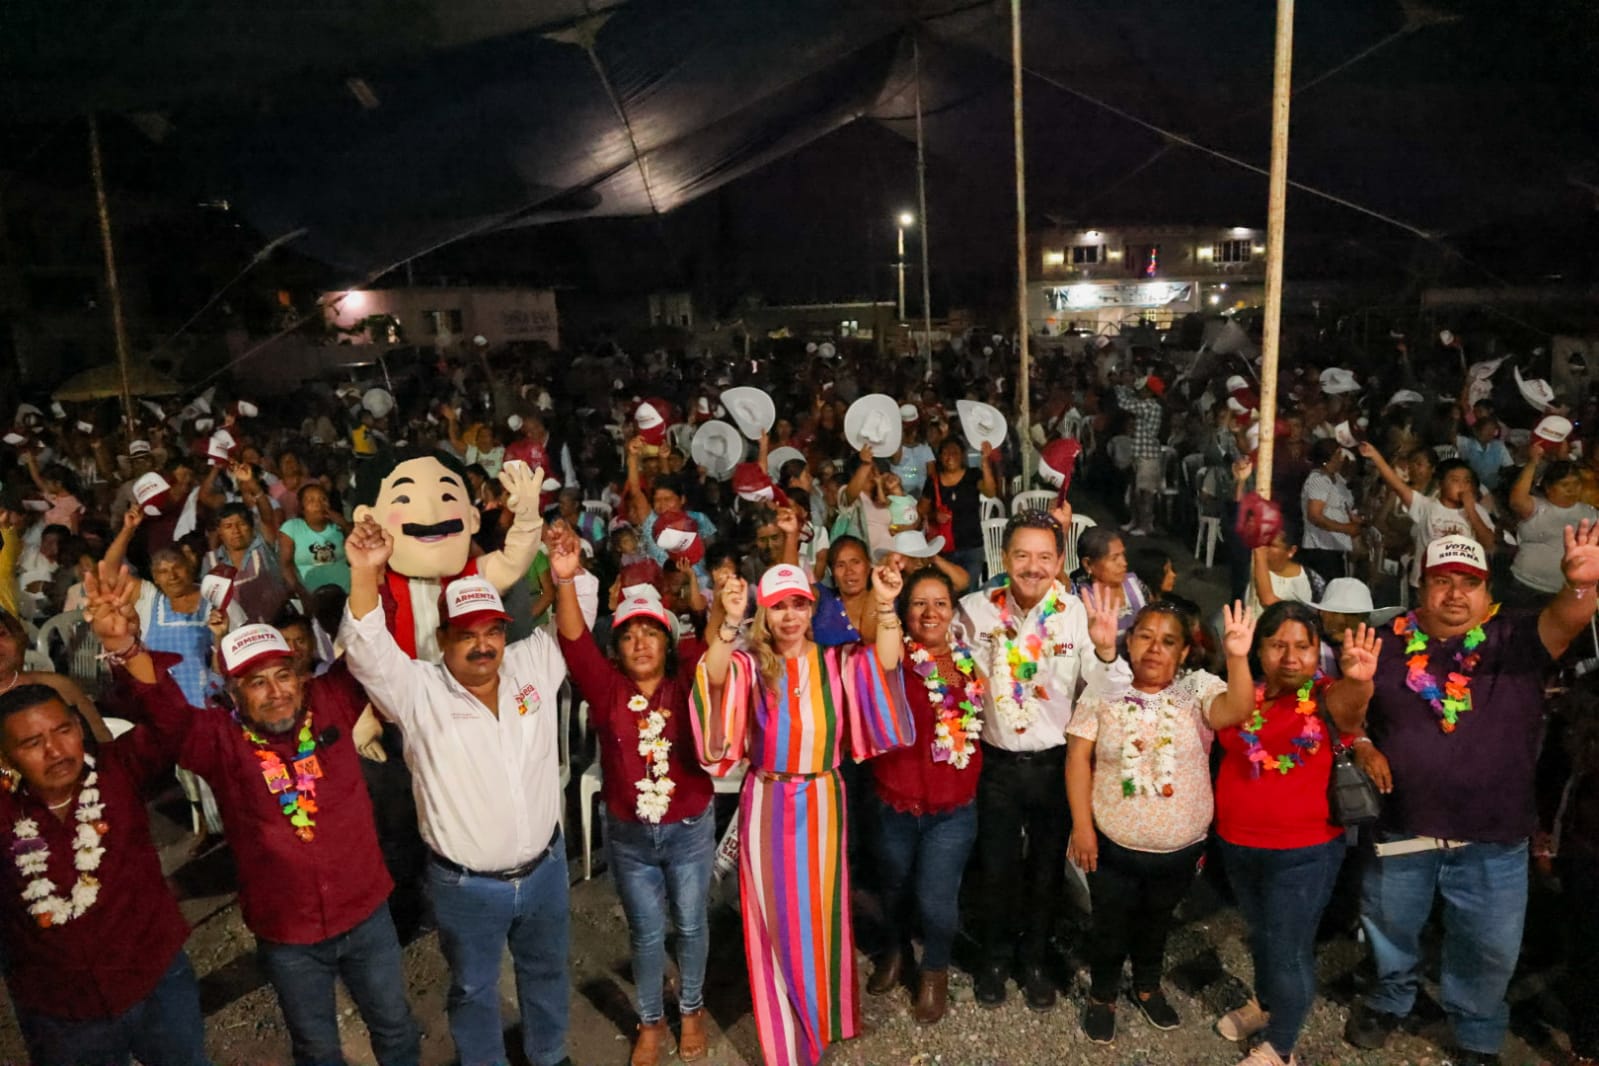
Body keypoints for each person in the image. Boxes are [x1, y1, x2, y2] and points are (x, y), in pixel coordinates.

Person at [113, 603, 421, 1066]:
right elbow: (166, 716)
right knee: (317, 1048)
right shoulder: (219, 740)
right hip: (289, 935)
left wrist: (367, 570)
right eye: (257, 683)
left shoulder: (333, 700)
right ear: (233, 693)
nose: (275, 692)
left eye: (283, 676)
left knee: (396, 1028)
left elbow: (372, 646)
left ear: (301, 677)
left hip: (366, 916)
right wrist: (125, 648)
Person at [1344, 529, 1599, 1066]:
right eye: (1442, 582)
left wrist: (1581, 584)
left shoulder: (1517, 639)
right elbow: (1344, 713)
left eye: (1468, 583)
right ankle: (1393, 999)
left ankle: (1478, 1031)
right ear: (1422, 586)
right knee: (1389, 928)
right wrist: (1363, 735)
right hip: (1403, 827)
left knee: (1489, 949)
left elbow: (1568, 619)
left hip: (1494, 837)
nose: (1454, 594)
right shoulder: (1385, 643)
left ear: (1487, 593)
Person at [340, 518, 575, 1066]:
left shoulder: (532, 665)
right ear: (441, 639)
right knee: (473, 989)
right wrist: (364, 573)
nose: (483, 645)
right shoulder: (416, 690)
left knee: (547, 971)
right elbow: (366, 646)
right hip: (467, 888)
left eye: (492, 631)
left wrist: (566, 574)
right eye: (466, 634)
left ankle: (550, 1054)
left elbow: (571, 629)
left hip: (545, 871)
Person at [692, 561, 913, 1066]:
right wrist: (728, 619)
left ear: (812, 608)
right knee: (773, 922)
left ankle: (824, 1015)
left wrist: (885, 602)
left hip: (822, 801)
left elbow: (887, 660)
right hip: (769, 801)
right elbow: (716, 675)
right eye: (778, 607)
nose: (790, 616)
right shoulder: (751, 664)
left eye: (798, 604)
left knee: (821, 915)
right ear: (764, 614)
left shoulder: (837, 663)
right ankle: (788, 1039)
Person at [0, 563, 206, 1066]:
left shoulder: (115, 771)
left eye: (62, 731)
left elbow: (171, 723)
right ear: (6, 760)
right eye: (32, 743)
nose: (55, 751)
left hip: (157, 980)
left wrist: (125, 646)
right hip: (62, 1011)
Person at [549, 531, 714, 1066]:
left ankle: (690, 1008)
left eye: (650, 633)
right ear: (616, 649)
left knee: (690, 924)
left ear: (668, 642)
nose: (640, 642)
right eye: (628, 636)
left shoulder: (687, 678)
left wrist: (698, 587)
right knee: (645, 933)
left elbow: (716, 639)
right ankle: (650, 1020)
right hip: (629, 836)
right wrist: (565, 576)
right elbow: (573, 639)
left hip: (689, 827)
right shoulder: (606, 688)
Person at [1067, 600, 1258, 1043]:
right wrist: (1082, 827)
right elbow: (1078, 758)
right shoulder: (1104, 688)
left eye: (1168, 641)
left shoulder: (1198, 689)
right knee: (1109, 925)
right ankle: (1102, 995)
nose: (1155, 649)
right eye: (1145, 637)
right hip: (1113, 844)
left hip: (1180, 846)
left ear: (1185, 652)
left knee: (1157, 921)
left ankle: (1148, 986)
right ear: (1129, 643)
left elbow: (1238, 710)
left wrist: (1237, 656)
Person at [959, 509, 1116, 1010]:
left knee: (1048, 869)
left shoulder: (1076, 614)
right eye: (1022, 555)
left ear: (1059, 560)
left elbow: (1107, 691)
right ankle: (996, 958)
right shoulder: (974, 612)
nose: (1032, 566)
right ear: (1004, 557)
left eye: (1044, 556)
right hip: (997, 764)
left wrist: (1109, 652)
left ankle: (1034, 959)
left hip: (1054, 765)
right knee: (996, 867)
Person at [1214, 600, 1380, 1066]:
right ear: (1260, 650)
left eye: (1303, 647)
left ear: (1318, 652)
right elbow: (1225, 720)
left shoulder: (1328, 695)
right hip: (1238, 842)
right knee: (1262, 935)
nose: (1290, 657)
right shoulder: (1245, 693)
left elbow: (1352, 707)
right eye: (1277, 645)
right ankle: (1266, 1005)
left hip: (1303, 851)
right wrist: (1235, 656)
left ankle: (1281, 1045)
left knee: (1288, 947)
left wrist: (1361, 678)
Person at [866, 566, 982, 1025]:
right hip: (895, 801)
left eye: (940, 603)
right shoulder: (893, 657)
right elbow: (886, 658)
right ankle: (894, 951)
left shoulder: (967, 664)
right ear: (904, 612)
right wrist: (886, 602)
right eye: (919, 603)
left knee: (937, 899)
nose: (929, 612)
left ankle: (934, 971)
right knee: (893, 888)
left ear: (953, 611)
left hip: (952, 810)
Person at [1361, 443, 1495, 591]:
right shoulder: (1426, 506)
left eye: (1467, 481)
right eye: (1455, 480)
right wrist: (1375, 456)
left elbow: (1489, 544)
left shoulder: (1478, 511)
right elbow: (1398, 485)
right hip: (1425, 585)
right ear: (1441, 484)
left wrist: (1471, 510)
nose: (1462, 486)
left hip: (1459, 588)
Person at [1507, 452, 1599, 604]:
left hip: (1564, 591)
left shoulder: (1591, 513)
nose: (1572, 489)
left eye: (1576, 484)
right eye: (1565, 485)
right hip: (1525, 586)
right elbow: (1517, 500)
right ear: (1548, 487)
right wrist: (1533, 462)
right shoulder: (1536, 507)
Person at [920, 436, 998, 586]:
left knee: (969, 590)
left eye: (954, 452)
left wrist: (985, 461)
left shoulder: (973, 475)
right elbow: (921, 510)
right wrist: (934, 515)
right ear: (940, 457)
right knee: (948, 591)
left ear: (962, 455)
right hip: (943, 548)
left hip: (972, 545)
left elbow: (990, 492)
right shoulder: (933, 481)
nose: (950, 457)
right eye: (945, 453)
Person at [1299, 439, 1361, 582]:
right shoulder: (1318, 480)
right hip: (1321, 548)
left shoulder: (1337, 479)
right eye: (1338, 454)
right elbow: (1314, 516)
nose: (1342, 458)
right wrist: (1345, 528)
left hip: (1337, 547)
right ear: (1328, 458)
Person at [1072, 526, 1151, 637]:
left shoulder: (1136, 585)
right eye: (1114, 558)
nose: (1124, 563)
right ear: (1088, 564)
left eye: (1123, 555)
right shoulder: (1080, 599)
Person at [277, 483, 352, 598]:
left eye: (323, 499)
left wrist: (344, 524)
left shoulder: (338, 527)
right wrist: (302, 594)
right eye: (311, 500)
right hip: (311, 595)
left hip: (346, 592)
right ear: (302, 508)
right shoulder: (292, 528)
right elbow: (285, 565)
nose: (318, 504)